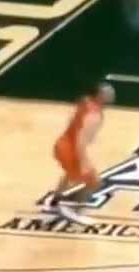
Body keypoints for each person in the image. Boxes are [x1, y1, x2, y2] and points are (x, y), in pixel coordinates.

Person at [42, 83, 116, 225]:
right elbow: (80, 140)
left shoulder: (86, 102)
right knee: (93, 181)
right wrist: (83, 162)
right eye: (108, 94)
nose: (112, 96)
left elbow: (73, 120)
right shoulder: (94, 115)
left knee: (69, 175)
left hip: (62, 144)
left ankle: (53, 203)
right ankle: (74, 211)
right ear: (101, 96)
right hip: (71, 149)